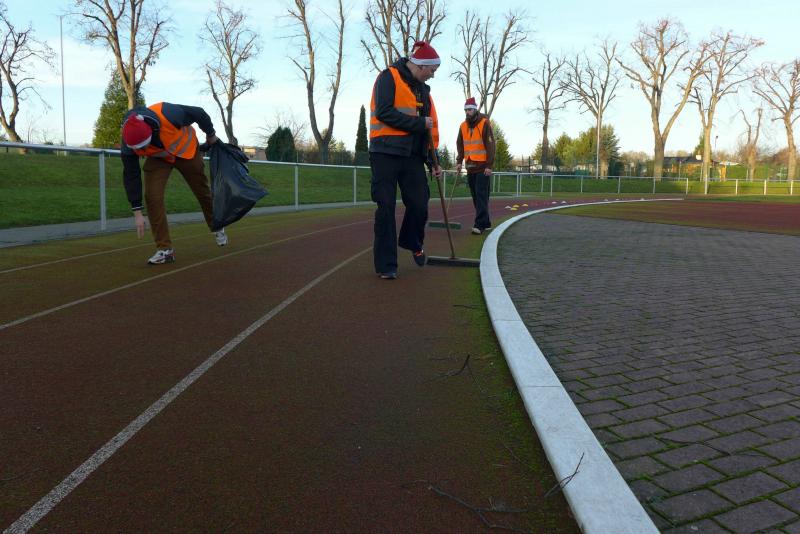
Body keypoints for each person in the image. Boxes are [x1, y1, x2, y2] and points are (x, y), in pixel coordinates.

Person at [369, 40, 442, 280]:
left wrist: (433, 162)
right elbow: (384, 112)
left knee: (420, 203)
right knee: (386, 208)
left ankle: (413, 242)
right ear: (421, 65)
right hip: (384, 153)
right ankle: (386, 265)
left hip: (412, 156)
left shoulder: (424, 91)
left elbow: (429, 131)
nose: (433, 75)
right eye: (432, 70)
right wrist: (418, 123)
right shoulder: (387, 77)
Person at [120, 102, 227, 265]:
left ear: (150, 131)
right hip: (160, 158)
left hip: (186, 151)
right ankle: (165, 250)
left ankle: (217, 225)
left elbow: (199, 112)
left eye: (144, 146)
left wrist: (211, 135)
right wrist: (137, 212)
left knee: (202, 191)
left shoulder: (169, 113)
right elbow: (131, 174)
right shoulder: (128, 141)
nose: (142, 151)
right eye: (138, 149)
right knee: (152, 197)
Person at [455, 97, 495, 235]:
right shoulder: (462, 126)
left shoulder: (484, 123)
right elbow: (460, 145)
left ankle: (479, 224)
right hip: (470, 166)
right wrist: (459, 161)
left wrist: (489, 165)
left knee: (481, 195)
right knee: (475, 196)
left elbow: (490, 145)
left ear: (475, 109)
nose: (467, 112)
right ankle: (486, 222)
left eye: (470, 110)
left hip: (483, 167)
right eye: (466, 110)